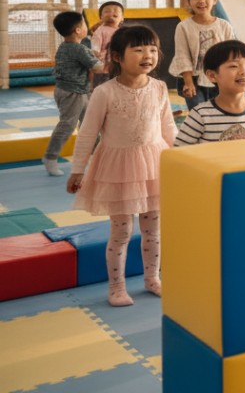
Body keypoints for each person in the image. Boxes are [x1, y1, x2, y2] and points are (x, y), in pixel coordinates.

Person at [66, 25, 176, 307]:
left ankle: (152, 278)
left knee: (154, 230)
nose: (147, 55)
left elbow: (169, 129)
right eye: (138, 49)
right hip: (119, 168)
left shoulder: (160, 87)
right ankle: (116, 286)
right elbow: (88, 133)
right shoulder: (105, 92)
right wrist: (78, 170)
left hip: (155, 164)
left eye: (152, 50)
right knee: (122, 231)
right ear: (116, 56)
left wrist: (181, 161)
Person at [175, 40, 245, 144]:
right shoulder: (200, 115)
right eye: (234, 66)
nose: (244, 71)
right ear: (212, 76)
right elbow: (179, 153)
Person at [44, 11, 104, 176]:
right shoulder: (78, 49)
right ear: (78, 30)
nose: (86, 27)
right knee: (67, 125)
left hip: (74, 91)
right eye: (84, 24)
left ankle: (98, 157)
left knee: (91, 124)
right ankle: (50, 157)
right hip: (73, 93)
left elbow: (86, 47)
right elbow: (99, 68)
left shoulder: (67, 46)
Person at [170, 0, 235, 112]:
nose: (201, 1)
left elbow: (231, 55)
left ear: (214, 0)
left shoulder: (224, 26)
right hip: (193, 79)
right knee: (199, 114)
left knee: (220, 113)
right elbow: (182, 55)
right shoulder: (183, 27)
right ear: (189, 2)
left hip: (219, 79)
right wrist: (188, 82)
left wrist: (230, 80)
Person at [90, 0, 124, 89]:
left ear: (122, 18)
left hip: (119, 68)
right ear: (101, 17)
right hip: (103, 70)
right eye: (107, 11)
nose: (111, 12)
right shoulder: (100, 31)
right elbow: (94, 49)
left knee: (117, 90)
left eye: (116, 10)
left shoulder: (122, 32)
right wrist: (96, 66)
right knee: (102, 90)